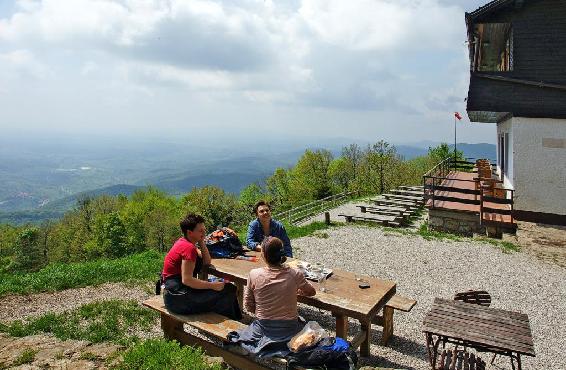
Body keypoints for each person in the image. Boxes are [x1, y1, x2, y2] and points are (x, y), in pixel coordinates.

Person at [228, 237, 316, 357]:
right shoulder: (295, 273)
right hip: (289, 327)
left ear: (264, 255)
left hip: (263, 326)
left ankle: (258, 346)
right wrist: (299, 291)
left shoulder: (254, 274)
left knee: (240, 336)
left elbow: (248, 305)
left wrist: (265, 314)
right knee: (306, 330)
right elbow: (312, 291)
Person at [162, 213, 242, 320]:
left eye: (204, 230)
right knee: (228, 290)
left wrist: (201, 241)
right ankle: (232, 325)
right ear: (190, 232)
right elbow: (187, 280)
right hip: (178, 299)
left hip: (173, 294)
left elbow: (207, 261)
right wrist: (212, 286)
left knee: (226, 288)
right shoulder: (188, 248)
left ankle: (231, 321)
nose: (204, 233)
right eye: (201, 231)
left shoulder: (185, 242)